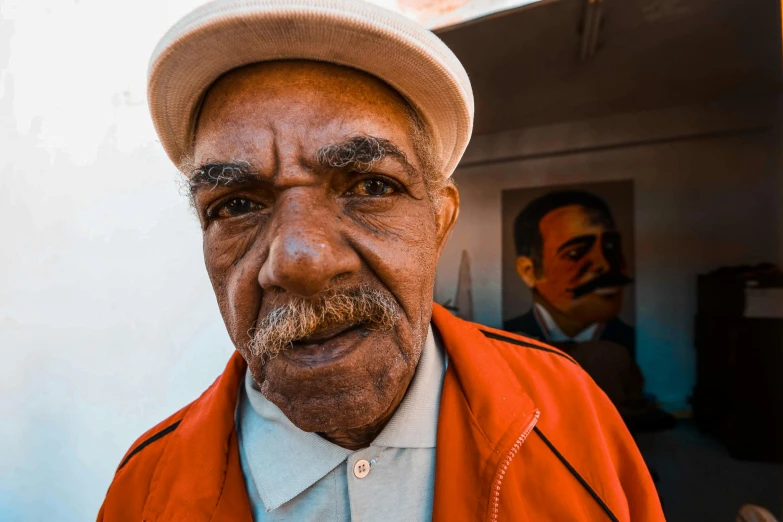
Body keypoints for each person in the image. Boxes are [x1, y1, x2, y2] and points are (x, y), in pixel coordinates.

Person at [98, 1, 665, 520]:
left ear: (439, 222)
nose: (301, 260)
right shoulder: (144, 489)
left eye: (370, 186)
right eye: (237, 204)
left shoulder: (567, 409)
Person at [504, 190, 675, 433]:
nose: (605, 265)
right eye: (576, 252)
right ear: (529, 271)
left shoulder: (620, 352)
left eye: (611, 246)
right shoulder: (511, 343)